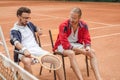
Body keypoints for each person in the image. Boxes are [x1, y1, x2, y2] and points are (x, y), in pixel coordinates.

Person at [10, 7, 64, 80]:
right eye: (25, 18)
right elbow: (16, 42)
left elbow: (36, 27)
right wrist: (24, 49)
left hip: (37, 50)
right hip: (24, 52)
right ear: (19, 16)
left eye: (28, 18)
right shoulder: (14, 30)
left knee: (56, 60)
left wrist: (38, 30)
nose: (27, 20)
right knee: (27, 61)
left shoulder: (29, 24)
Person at [53, 7, 102, 80]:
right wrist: (82, 51)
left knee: (92, 52)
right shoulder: (63, 25)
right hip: (61, 45)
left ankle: (99, 78)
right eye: (71, 17)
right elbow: (65, 45)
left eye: (74, 18)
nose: (72, 20)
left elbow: (87, 38)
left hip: (75, 44)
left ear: (79, 18)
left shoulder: (84, 25)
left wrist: (87, 48)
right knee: (71, 53)